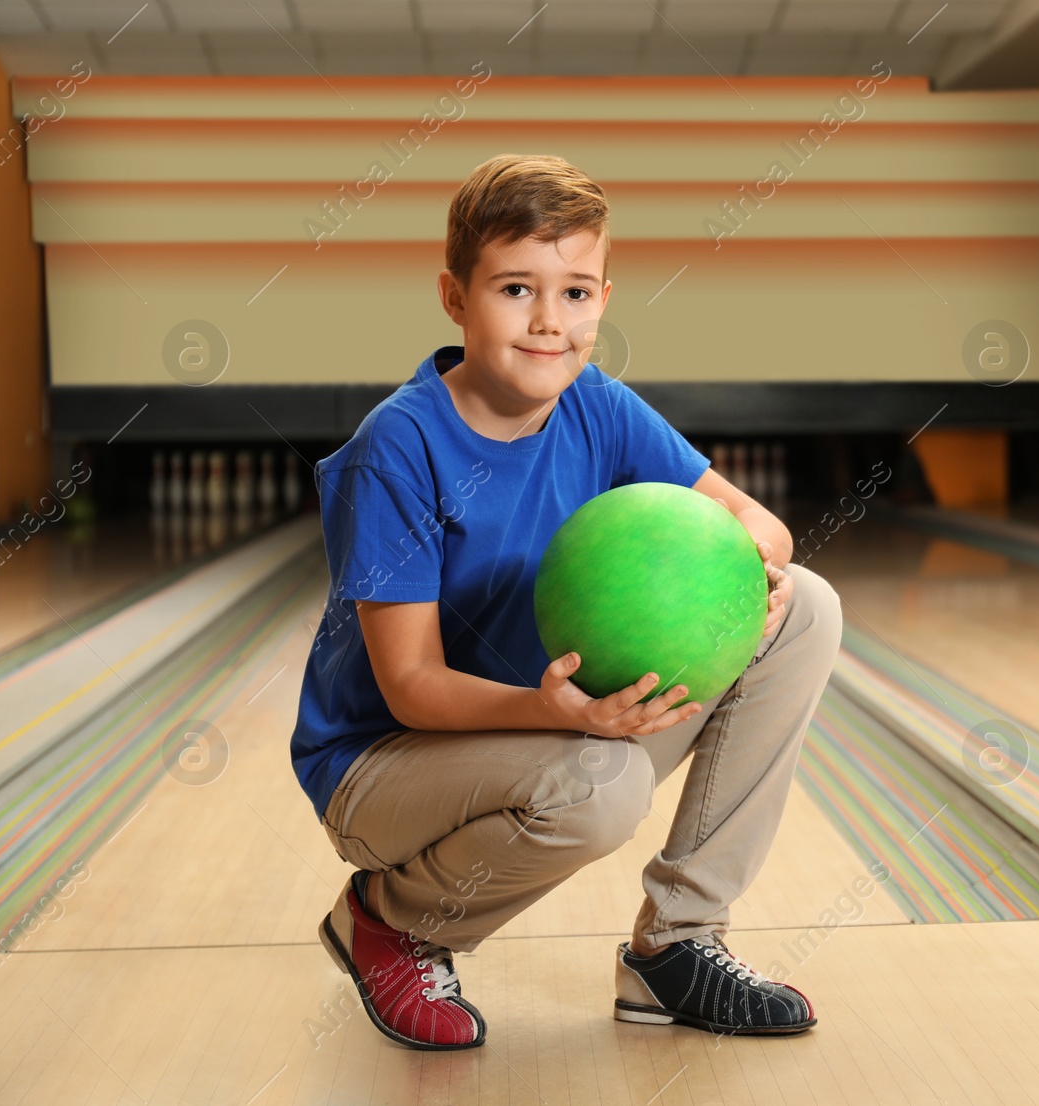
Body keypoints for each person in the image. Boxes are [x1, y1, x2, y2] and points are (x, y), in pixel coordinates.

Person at [289, 153, 842, 1050]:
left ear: (604, 298)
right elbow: (411, 687)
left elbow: (758, 523)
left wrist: (758, 568)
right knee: (603, 784)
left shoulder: (599, 407)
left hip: (545, 727)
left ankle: (677, 947)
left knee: (807, 608)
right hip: (385, 766)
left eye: (576, 293)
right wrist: (554, 713)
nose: (550, 322)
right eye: (516, 288)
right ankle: (391, 922)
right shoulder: (398, 447)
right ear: (454, 295)